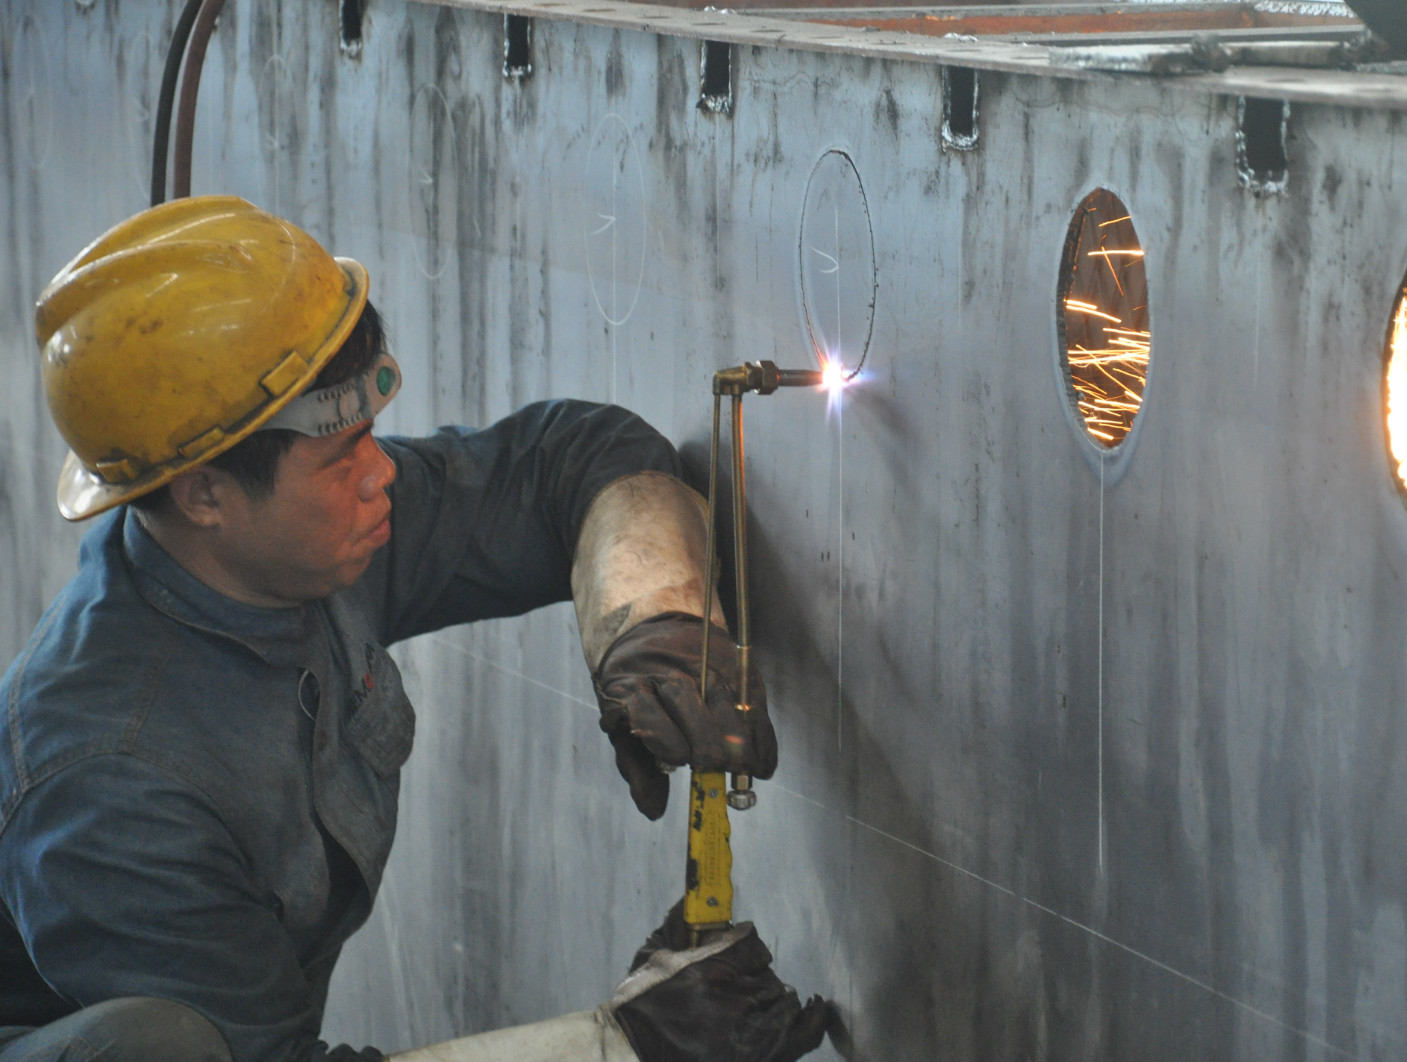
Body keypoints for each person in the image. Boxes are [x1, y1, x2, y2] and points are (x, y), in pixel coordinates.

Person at [0, 196, 831, 1061]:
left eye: (371, 435)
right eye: (340, 457)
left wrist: (650, 620)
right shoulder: (112, 784)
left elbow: (575, 457)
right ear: (204, 493)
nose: (380, 474)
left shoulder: (287, 546)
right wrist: (620, 1048)